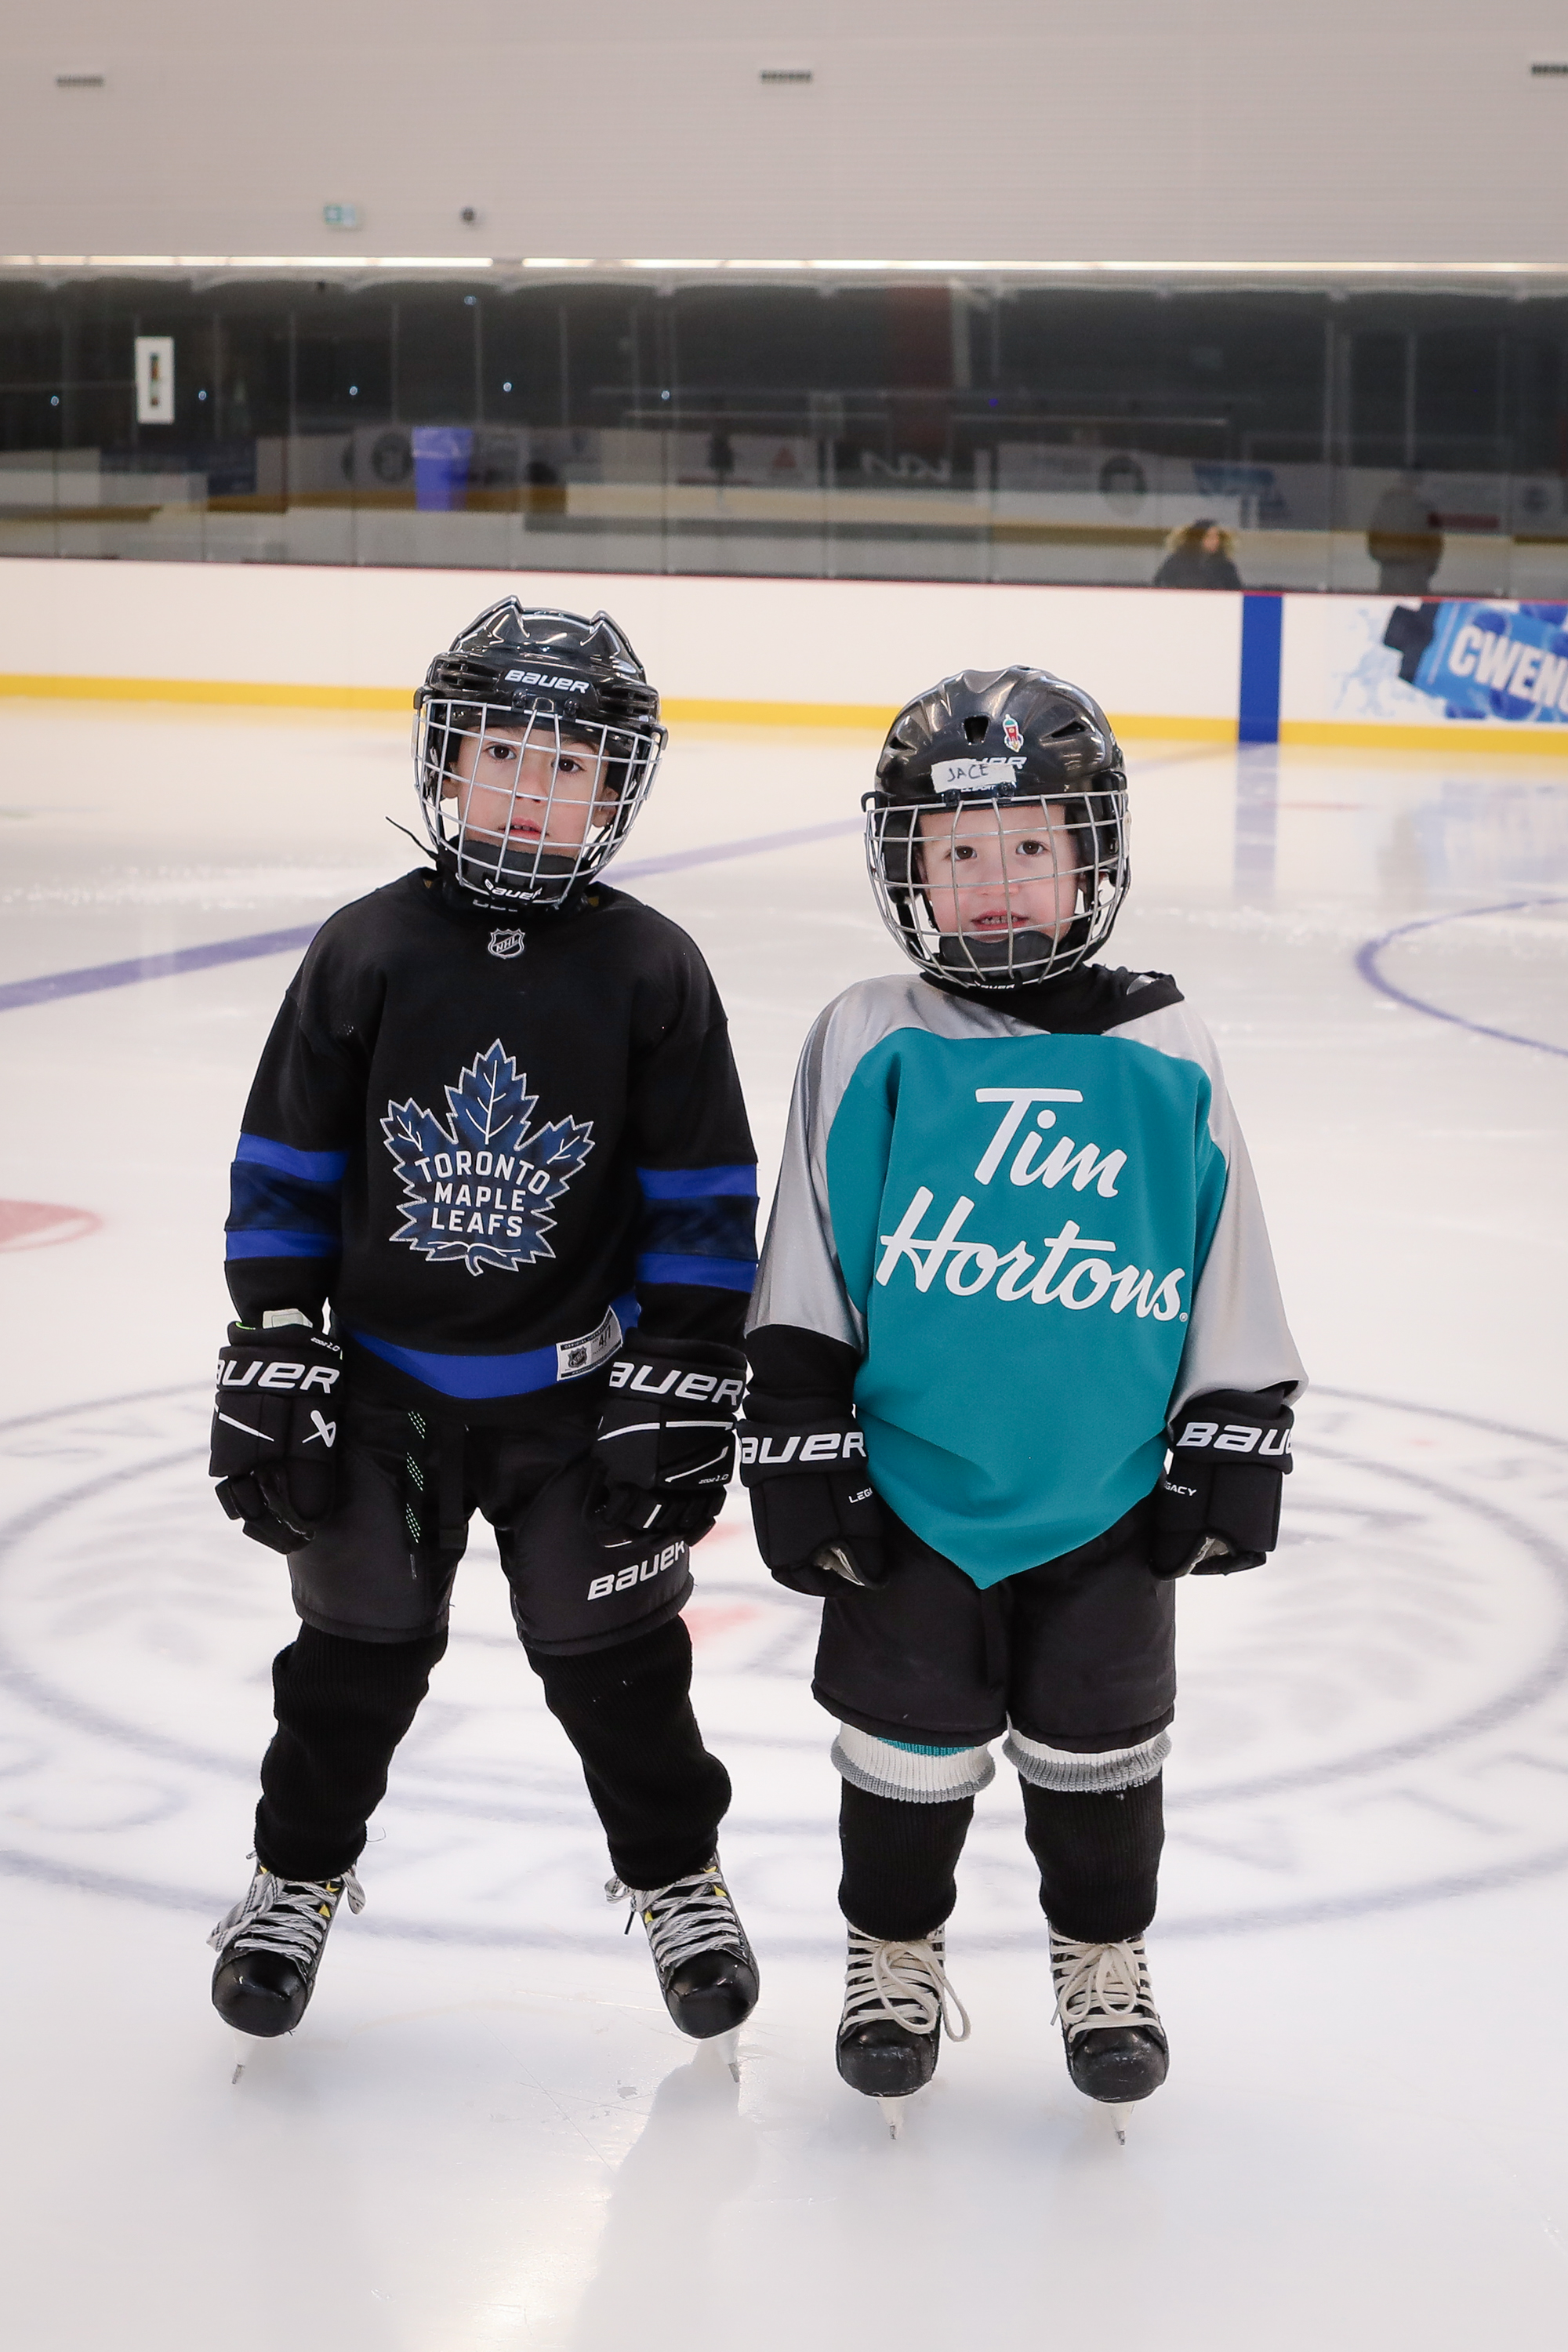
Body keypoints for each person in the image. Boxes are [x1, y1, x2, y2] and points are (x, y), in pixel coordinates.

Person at [737, 667, 1304, 2129]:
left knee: (1104, 1751)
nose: (996, 885)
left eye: (1031, 849)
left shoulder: (1161, 1043)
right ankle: (893, 1953)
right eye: (961, 852)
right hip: (913, 1487)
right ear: (911, 868)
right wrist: (802, 1446)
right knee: (902, 1746)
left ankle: (1102, 1958)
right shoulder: (868, 1034)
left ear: (1091, 856)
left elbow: (1219, 1236)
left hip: (1105, 1485)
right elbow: (809, 1252)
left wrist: (1230, 1425)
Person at [207, 600, 760, 2053]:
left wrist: (686, 1364)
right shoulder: (367, 950)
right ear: (446, 760)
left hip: (580, 1410)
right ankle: (293, 1880)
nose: (532, 790)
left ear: (618, 788)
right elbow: (285, 1165)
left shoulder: (652, 970)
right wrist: (275, 1336)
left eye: (570, 766)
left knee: (622, 1671)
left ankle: (680, 1882)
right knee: (352, 1660)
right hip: (383, 1395)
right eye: (505, 752)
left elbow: (702, 1196)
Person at [1367, 472, 1443, 594]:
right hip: (1416, 573)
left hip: (1391, 573)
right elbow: (1435, 543)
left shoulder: (1385, 505)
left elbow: (1374, 545)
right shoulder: (1425, 507)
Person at [1152, 517, 1243, 589]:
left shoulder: (1225, 566)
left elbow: (1235, 591)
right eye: (1209, 537)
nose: (1215, 541)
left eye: (1217, 537)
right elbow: (1160, 585)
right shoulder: (1177, 562)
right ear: (1198, 539)